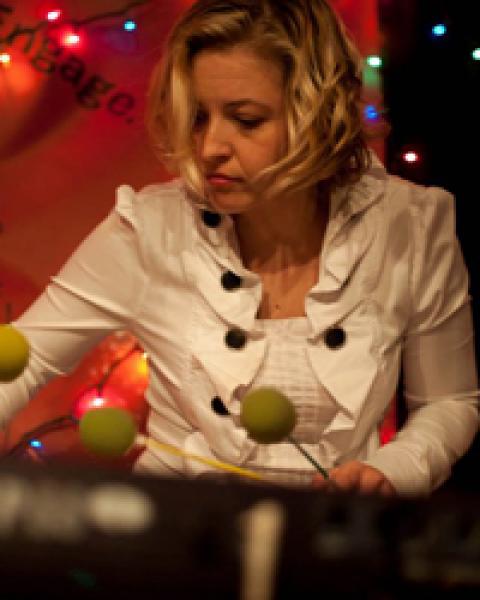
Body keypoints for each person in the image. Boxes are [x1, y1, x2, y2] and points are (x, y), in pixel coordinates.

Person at [1, 0, 478, 497]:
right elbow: (21, 364)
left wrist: (393, 472)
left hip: (330, 534)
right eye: (198, 118)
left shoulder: (411, 225)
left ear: (319, 116)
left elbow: (450, 401)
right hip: (179, 532)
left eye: (246, 120)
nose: (210, 147)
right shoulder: (148, 229)